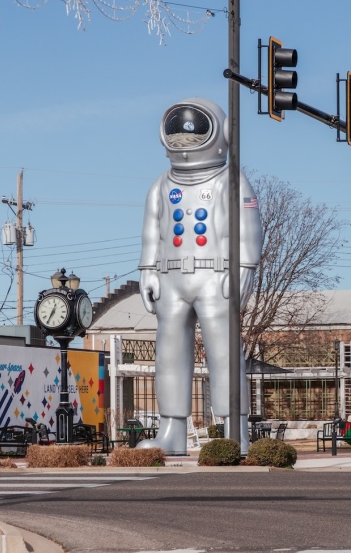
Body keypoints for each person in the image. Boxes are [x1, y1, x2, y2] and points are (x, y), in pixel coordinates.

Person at [137, 98, 263, 455]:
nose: (184, 139)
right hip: (171, 278)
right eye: (177, 133)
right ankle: (171, 431)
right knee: (169, 354)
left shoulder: (231, 179)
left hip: (216, 276)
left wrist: (245, 267)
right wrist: (147, 269)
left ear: (218, 132)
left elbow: (248, 228)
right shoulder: (161, 185)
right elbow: (151, 232)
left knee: (224, 352)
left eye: (192, 132)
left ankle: (234, 430)